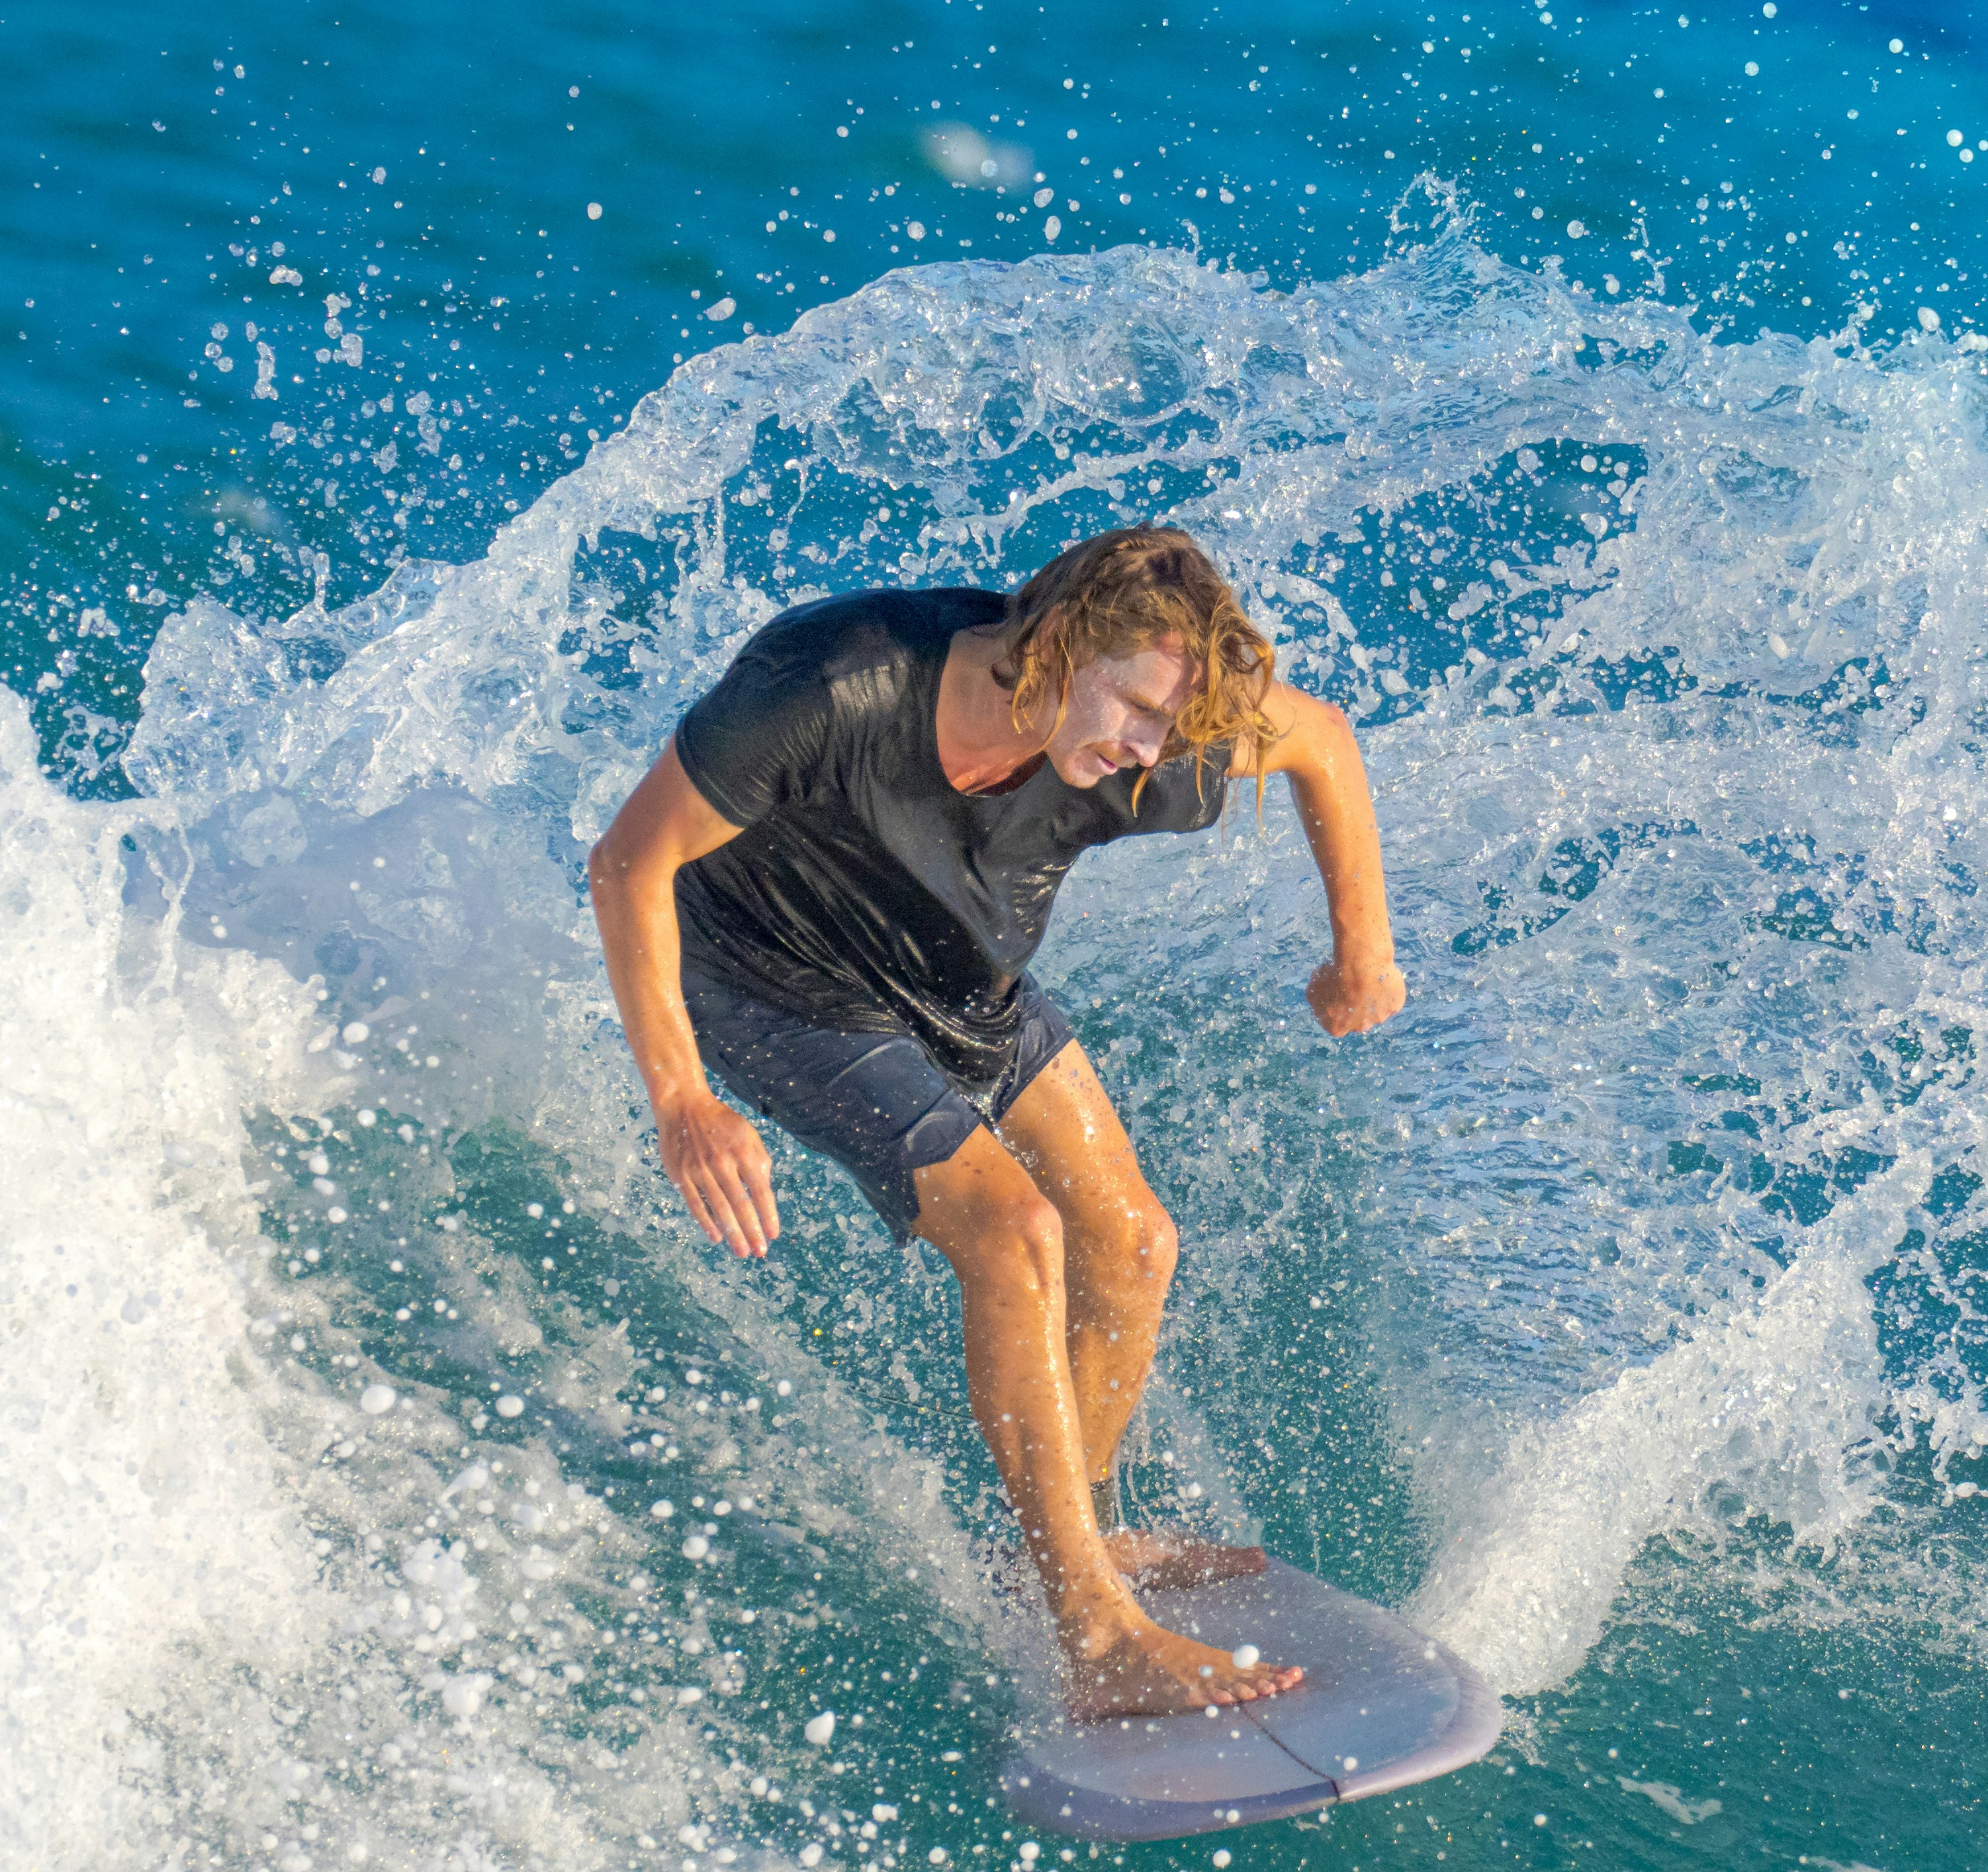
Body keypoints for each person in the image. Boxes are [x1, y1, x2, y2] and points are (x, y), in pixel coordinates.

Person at [586, 527, 1406, 1719]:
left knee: (1133, 1245)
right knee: (1015, 1232)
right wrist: (681, 1101)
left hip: (958, 977)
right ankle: (1096, 1633)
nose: (1150, 752)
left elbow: (1322, 741)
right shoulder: (832, 688)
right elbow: (629, 863)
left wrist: (1361, 954)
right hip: (772, 982)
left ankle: (1077, 1547)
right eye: (1136, 710)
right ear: (1059, 641)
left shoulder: (1143, 735)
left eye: (1170, 728)